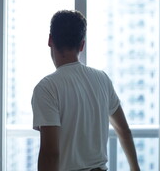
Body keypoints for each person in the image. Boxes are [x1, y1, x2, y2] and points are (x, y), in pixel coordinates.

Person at [31, 10, 140, 171]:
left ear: (50, 40)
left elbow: (50, 153)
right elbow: (124, 130)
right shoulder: (102, 79)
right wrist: (135, 168)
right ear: (82, 45)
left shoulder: (47, 88)